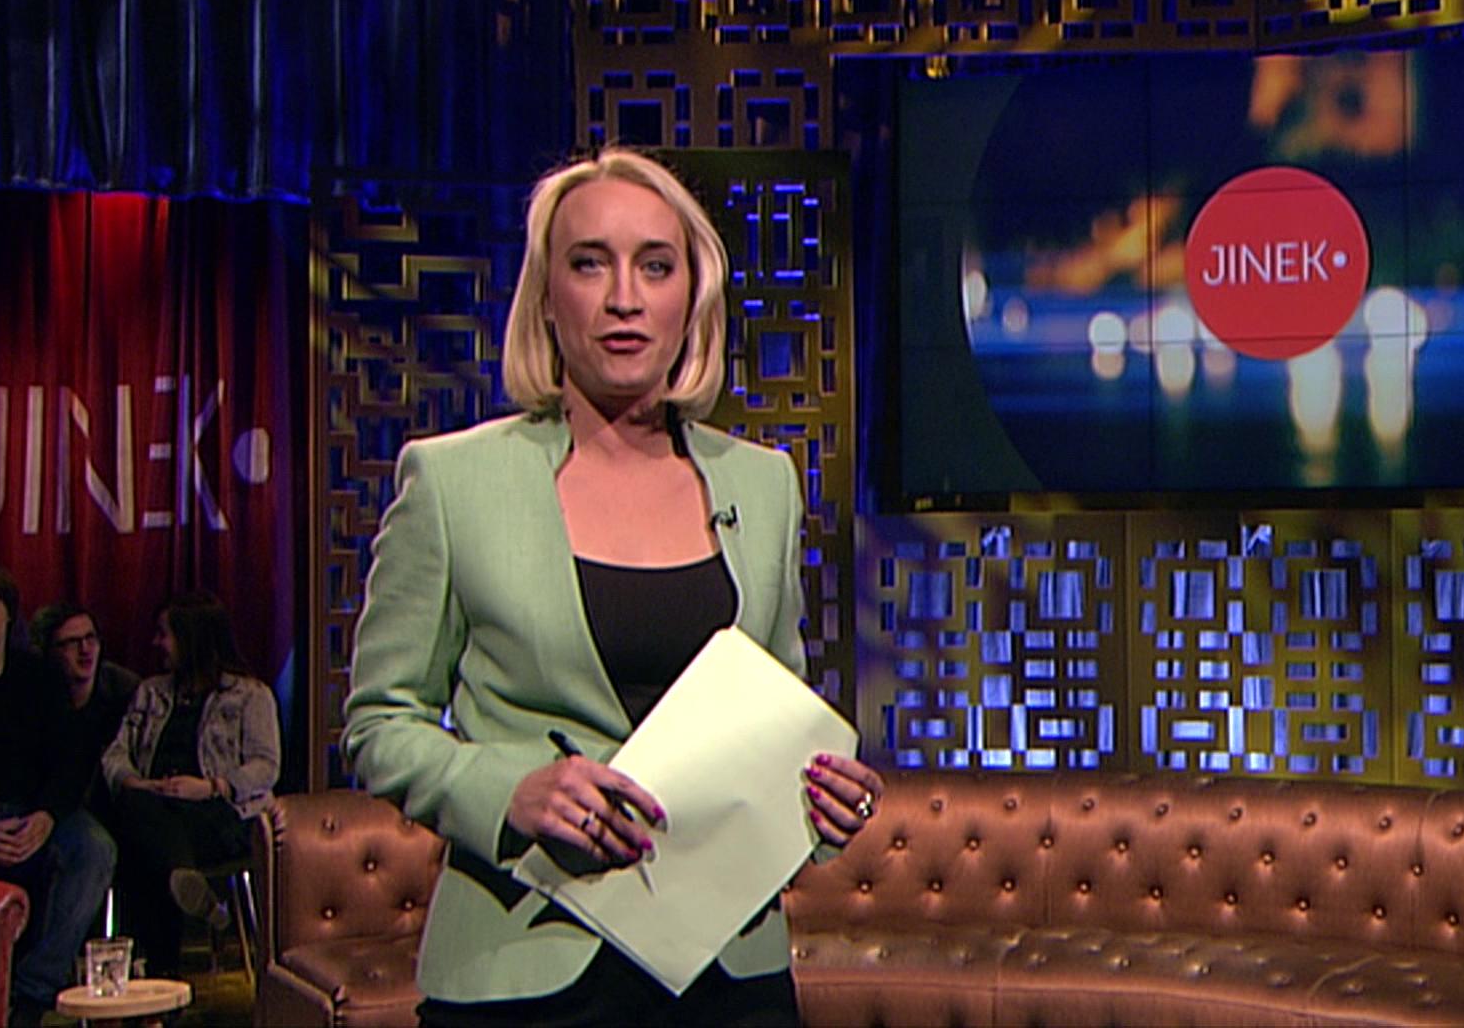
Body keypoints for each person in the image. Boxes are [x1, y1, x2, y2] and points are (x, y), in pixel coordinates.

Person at [343, 147, 886, 1027]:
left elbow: (777, 708)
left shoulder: (763, 485)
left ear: (692, 298)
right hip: (525, 969)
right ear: (546, 296)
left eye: (655, 266)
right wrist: (511, 791)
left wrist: (818, 799)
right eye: (590, 263)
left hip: (728, 975)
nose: (624, 297)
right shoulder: (450, 483)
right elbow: (379, 723)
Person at [101, 590, 280, 980]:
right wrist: (136, 782)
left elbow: (266, 767)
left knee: (144, 848)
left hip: (219, 813)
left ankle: (156, 977)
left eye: (164, 634)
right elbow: (115, 754)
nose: (157, 643)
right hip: (153, 805)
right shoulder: (151, 692)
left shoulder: (250, 695)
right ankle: (181, 877)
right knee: (138, 815)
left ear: (191, 637)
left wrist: (211, 786)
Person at [0, 562, 118, 1026]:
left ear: (7, 614)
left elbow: (70, 763)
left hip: (33, 816)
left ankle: (31, 996)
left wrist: (46, 816)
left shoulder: (37, 679)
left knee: (95, 848)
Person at [30, 601, 141, 817]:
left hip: (112, 806)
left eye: (91, 638)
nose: (85, 649)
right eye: (72, 642)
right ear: (48, 650)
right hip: (51, 805)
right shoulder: (34, 693)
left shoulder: (125, 689)